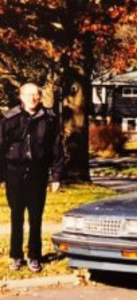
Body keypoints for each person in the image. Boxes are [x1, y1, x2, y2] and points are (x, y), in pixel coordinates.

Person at [0, 83, 64, 272]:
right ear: (21, 96)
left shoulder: (50, 118)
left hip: (38, 173)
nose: (33, 98)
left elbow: (57, 148)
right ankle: (16, 256)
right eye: (29, 95)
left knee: (36, 217)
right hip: (15, 173)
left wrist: (56, 176)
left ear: (40, 96)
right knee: (16, 216)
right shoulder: (9, 118)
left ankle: (34, 256)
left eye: (36, 95)